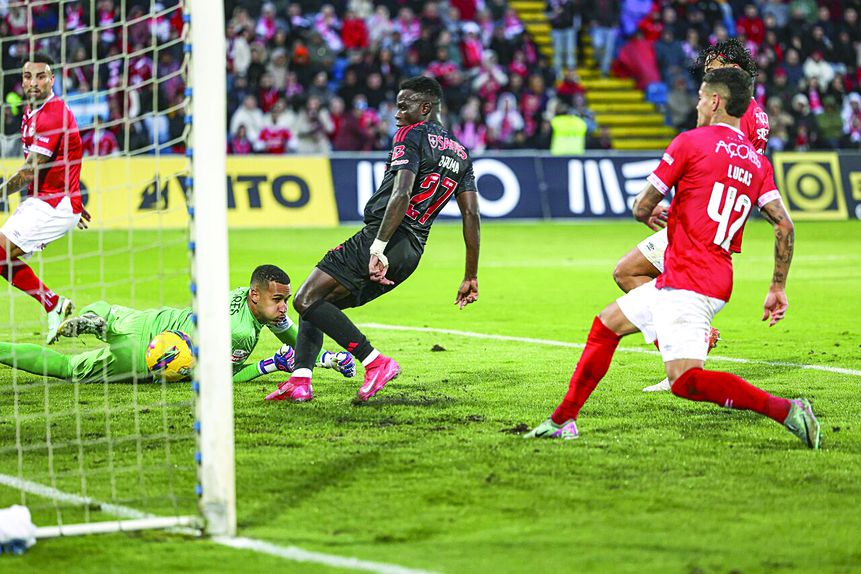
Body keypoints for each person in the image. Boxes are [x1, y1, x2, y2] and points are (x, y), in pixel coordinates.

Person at [525, 68, 819, 449]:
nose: (696, 103)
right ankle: (563, 419)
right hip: (707, 274)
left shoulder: (691, 143)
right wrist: (777, 286)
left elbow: (642, 205)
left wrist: (649, 211)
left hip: (690, 282)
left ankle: (788, 411)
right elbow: (784, 226)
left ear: (715, 101)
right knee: (605, 325)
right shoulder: (757, 162)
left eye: (700, 96)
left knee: (686, 382)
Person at [266, 76, 480, 403]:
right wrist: (470, 275)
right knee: (323, 304)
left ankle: (375, 362)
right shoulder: (462, 155)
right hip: (412, 252)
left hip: (385, 236)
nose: (396, 114)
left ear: (425, 107)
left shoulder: (411, 134)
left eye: (403, 106)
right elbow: (471, 217)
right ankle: (301, 379)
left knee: (304, 300)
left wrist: (377, 247)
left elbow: (402, 193)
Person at [613, 38, 770, 392]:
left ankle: (694, 342)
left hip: (699, 228)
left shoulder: (733, 110)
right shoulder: (757, 115)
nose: (707, 76)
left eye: (713, 68)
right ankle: (686, 350)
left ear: (732, 67)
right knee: (632, 274)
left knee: (627, 272)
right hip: (717, 224)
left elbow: (716, 165)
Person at [0, 265, 355, 384]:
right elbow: (218, 377)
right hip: (147, 355)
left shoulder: (243, 296)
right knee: (67, 368)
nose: (283, 308)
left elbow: (293, 337)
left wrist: (322, 360)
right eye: (278, 301)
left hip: (145, 320)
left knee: (107, 310)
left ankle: (96, 320)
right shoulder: (241, 334)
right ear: (255, 297)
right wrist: (269, 366)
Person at [0, 53, 90, 344]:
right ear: (22, 80)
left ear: (53, 79)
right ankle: (53, 303)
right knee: (2, 260)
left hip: (52, 203)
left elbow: (29, 172)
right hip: (48, 201)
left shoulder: (53, 114)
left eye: (42, 76)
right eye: (29, 76)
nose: (34, 82)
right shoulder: (32, 111)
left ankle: (52, 303)